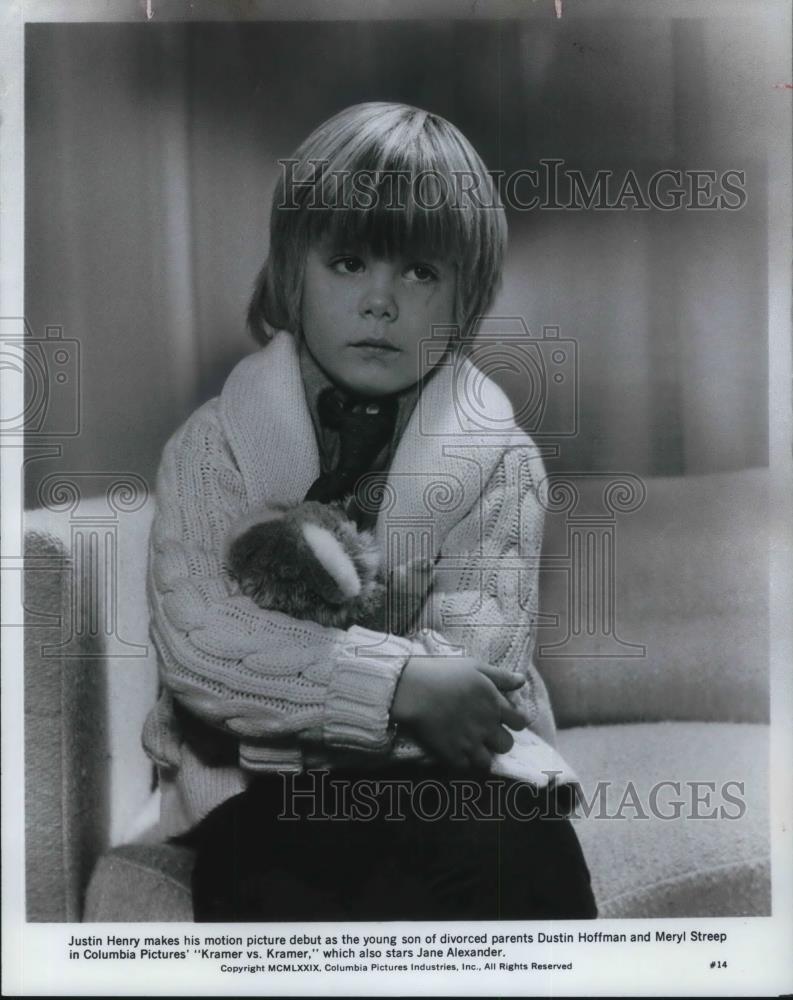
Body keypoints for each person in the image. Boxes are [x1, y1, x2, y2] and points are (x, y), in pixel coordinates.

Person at [143, 101, 597, 921]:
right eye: (348, 263)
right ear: (292, 274)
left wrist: (295, 700)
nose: (381, 301)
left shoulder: (500, 458)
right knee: (267, 879)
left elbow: (476, 681)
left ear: (467, 298)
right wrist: (397, 683)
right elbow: (203, 649)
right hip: (266, 799)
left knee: (526, 856)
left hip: (451, 787)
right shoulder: (214, 447)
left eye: (419, 273)